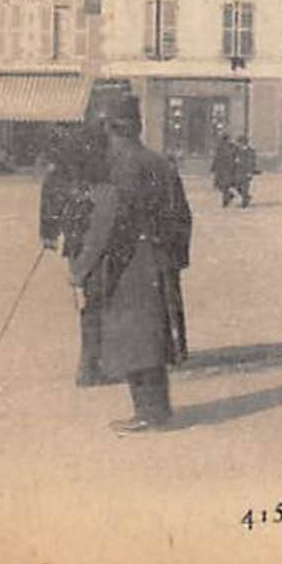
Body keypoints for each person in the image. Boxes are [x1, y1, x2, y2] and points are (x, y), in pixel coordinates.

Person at [69, 94, 193, 434]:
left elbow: (108, 220)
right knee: (151, 337)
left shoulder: (122, 163)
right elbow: (183, 216)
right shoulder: (158, 161)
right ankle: (157, 411)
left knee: (135, 339)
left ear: (110, 127)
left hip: (131, 265)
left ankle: (149, 414)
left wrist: (82, 266)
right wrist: (174, 259)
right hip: (156, 261)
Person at [40, 123, 110, 387]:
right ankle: (91, 365)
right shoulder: (99, 161)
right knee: (97, 302)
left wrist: (48, 233)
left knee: (88, 303)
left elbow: (49, 198)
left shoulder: (59, 167)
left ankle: (90, 362)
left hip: (75, 240)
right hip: (94, 240)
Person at [231, 135, 257, 207]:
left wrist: (250, 172)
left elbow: (252, 162)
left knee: (245, 187)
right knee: (236, 186)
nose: (238, 144)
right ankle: (246, 197)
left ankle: (245, 201)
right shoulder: (236, 150)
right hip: (238, 171)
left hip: (246, 171)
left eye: (239, 143)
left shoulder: (250, 151)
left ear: (243, 143)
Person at [212, 132, 236, 205]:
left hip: (227, 168)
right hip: (221, 168)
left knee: (224, 185)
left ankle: (225, 200)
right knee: (219, 185)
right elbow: (217, 158)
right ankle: (229, 196)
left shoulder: (231, 146)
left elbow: (233, 156)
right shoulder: (220, 147)